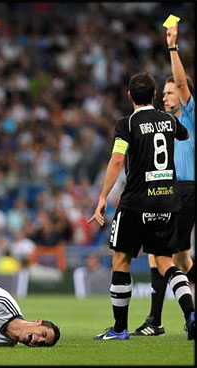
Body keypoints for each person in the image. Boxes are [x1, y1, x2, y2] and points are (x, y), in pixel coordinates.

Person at [88, 71, 195, 341]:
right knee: (166, 262)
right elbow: (182, 135)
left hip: (135, 202)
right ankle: (191, 315)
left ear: (129, 96)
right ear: (155, 95)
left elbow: (116, 160)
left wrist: (102, 196)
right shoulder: (169, 120)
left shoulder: (127, 125)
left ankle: (120, 329)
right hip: (166, 201)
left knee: (121, 260)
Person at [132, 22, 195, 337]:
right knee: (180, 259)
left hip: (183, 191)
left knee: (161, 257)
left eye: (171, 93)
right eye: (165, 93)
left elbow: (183, 83)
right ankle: (158, 320)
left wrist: (172, 46)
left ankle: (156, 322)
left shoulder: (189, 116)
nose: (167, 97)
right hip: (171, 191)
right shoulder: (165, 124)